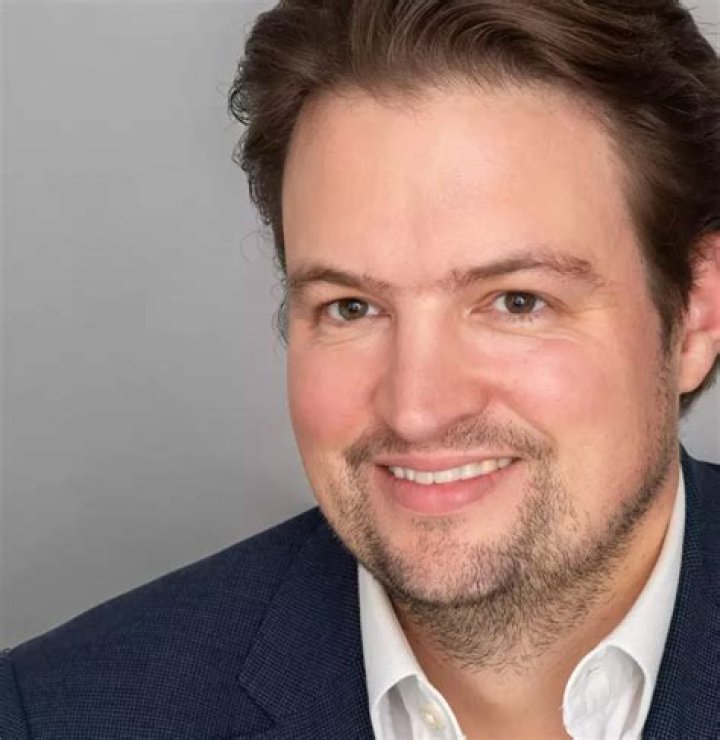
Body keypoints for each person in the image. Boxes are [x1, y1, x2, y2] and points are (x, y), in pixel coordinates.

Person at [2, 0, 719, 737]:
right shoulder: (58, 715)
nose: (417, 408)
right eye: (352, 308)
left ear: (697, 314)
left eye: (516, 301)